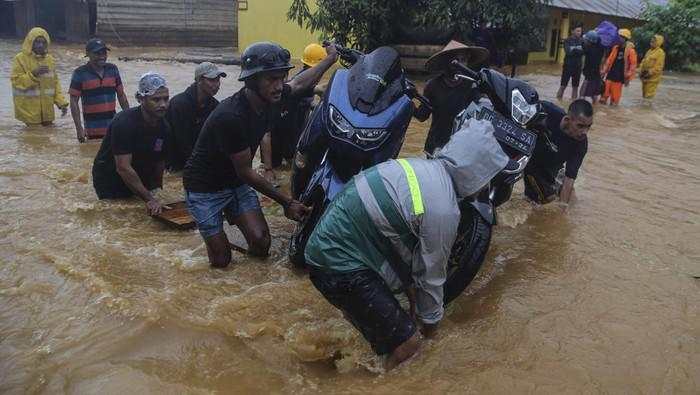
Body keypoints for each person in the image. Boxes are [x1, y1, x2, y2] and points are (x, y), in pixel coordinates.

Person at [304, 119, 508, 370]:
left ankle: (343, 367)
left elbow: (400, 244)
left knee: (394, 325)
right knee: (409, 347)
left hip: (327, 249)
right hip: (338, 263)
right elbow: (431, 275)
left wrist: (414, 303)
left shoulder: (422, 168)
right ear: (477, 173)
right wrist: (432, 331)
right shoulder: (444, 209)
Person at [182, 42, 338, 268]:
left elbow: (299, 83)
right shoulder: (231, 117)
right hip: (204, 188)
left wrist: (330, 59)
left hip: (234, 182)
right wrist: (286, 202)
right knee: (221, 261)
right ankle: (219, 232)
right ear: (252, 81)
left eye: (280, 78)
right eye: (271, 79)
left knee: (261, 243)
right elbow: (245, 171)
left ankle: (232, 225)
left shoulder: (272, 97)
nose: (278, 86)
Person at [92, 73, 171, 215]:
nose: (163, 105)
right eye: (156, 100)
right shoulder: (124, 123)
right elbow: (123, 167)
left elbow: (159, 160)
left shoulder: (164, 127)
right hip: (110, 178)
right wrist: (149, 199)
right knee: (119, 218)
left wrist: (157, 191)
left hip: (138, 173)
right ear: (141, 99)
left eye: (166, 99)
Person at [263, 43, 327, 183]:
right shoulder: (297, 85)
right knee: (277, 172)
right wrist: (268, 168)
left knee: (288, 170)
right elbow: (265, 134)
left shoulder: (305, 81)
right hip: (278, 138)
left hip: (291, 134)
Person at [415, 40, 489, 155]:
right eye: (455, 60)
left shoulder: (472, 85)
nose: (459, 64)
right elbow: (422, 116)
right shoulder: (433, 85)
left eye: (463, 60)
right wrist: (409, 100)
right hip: (436, 145)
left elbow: (481, 115)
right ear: (446, 62)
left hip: (463, 145)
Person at [524, 99, 593, 205]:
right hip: (530, 158)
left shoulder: (581, 144)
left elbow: (569, 179)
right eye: (580, 126)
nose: (585, 132)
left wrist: (562, 210)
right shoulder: (548, 111)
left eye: (589, 126)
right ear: (567, 119)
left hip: (552, 168)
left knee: (567, 203)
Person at [165, 62, 225, 172]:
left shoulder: (215, 106)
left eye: (218, 80)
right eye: (211, 80)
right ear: (199, 80)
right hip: (174, 162)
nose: (216, 85)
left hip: (197, 159)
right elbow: (181, 141)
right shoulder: (179, 104)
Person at [69, 38, 130, 143]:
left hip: (112, 128)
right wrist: (79, 128)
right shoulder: (80, 73)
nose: (102, 56)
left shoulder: (113, 69)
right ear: (88, 54)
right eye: (97, 53)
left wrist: (129, 119)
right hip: (92, 131)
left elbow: (121, 95)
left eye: (104, 53)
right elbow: (74, 101)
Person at [11, 27, 68, 126]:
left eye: (43, 42)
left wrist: (61, 103)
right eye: (37, 42)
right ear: (30, 43)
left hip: (47, 112)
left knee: (47, 138)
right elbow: (16, 81)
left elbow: (55, 84)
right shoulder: (20, 59)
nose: (40, 45)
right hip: (28, 113)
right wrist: (33, 74)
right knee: (33, 137)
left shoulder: (49, 60)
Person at [600, 28, 637, 106]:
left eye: (620, 37)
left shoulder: (631, 51)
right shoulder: (615, 47)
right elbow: (609, 60)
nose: (618, 38)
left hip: (619, 77)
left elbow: (633, 65)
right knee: (603, 97)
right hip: (610, 74)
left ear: (625, 39)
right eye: (619, 36)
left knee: (614, 100)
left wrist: (628, 75)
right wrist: (604, 71)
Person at [557, 24, 585, 101]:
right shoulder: (567, 40)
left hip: (578, 66)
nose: (579, 32)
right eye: (578, 31)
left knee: (575, 86)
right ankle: (558, 101)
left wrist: (574, 50)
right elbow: (568, 52)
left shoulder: (582, 41)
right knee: (563, 85)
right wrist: (578, 50)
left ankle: (573, 102)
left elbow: (584, 52)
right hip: (568, 66)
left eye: (580, 31)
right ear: (572, 31)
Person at [579, 30, 605, 103]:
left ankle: (581, 103)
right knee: (595, 94)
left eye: (586, 40)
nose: (585, 41)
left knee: (583, 94)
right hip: (597, 73)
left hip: (590, 73)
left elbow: (583, 47)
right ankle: (595, 107)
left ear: (590, 41)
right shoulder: (601, 48)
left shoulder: (588, 49)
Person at [639, 34, 666, 100]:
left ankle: (647, 109)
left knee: (648, 97)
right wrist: (640, 71)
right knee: (644, 96)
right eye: (651, 41)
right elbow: (643, 61)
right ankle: (644, 109)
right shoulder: (649, 51)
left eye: (654, 41)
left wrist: (649, 72)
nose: (651, 43)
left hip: (653, 79)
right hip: (644, 77)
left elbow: (659, 67)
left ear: (658, 43)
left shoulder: (660, 53)